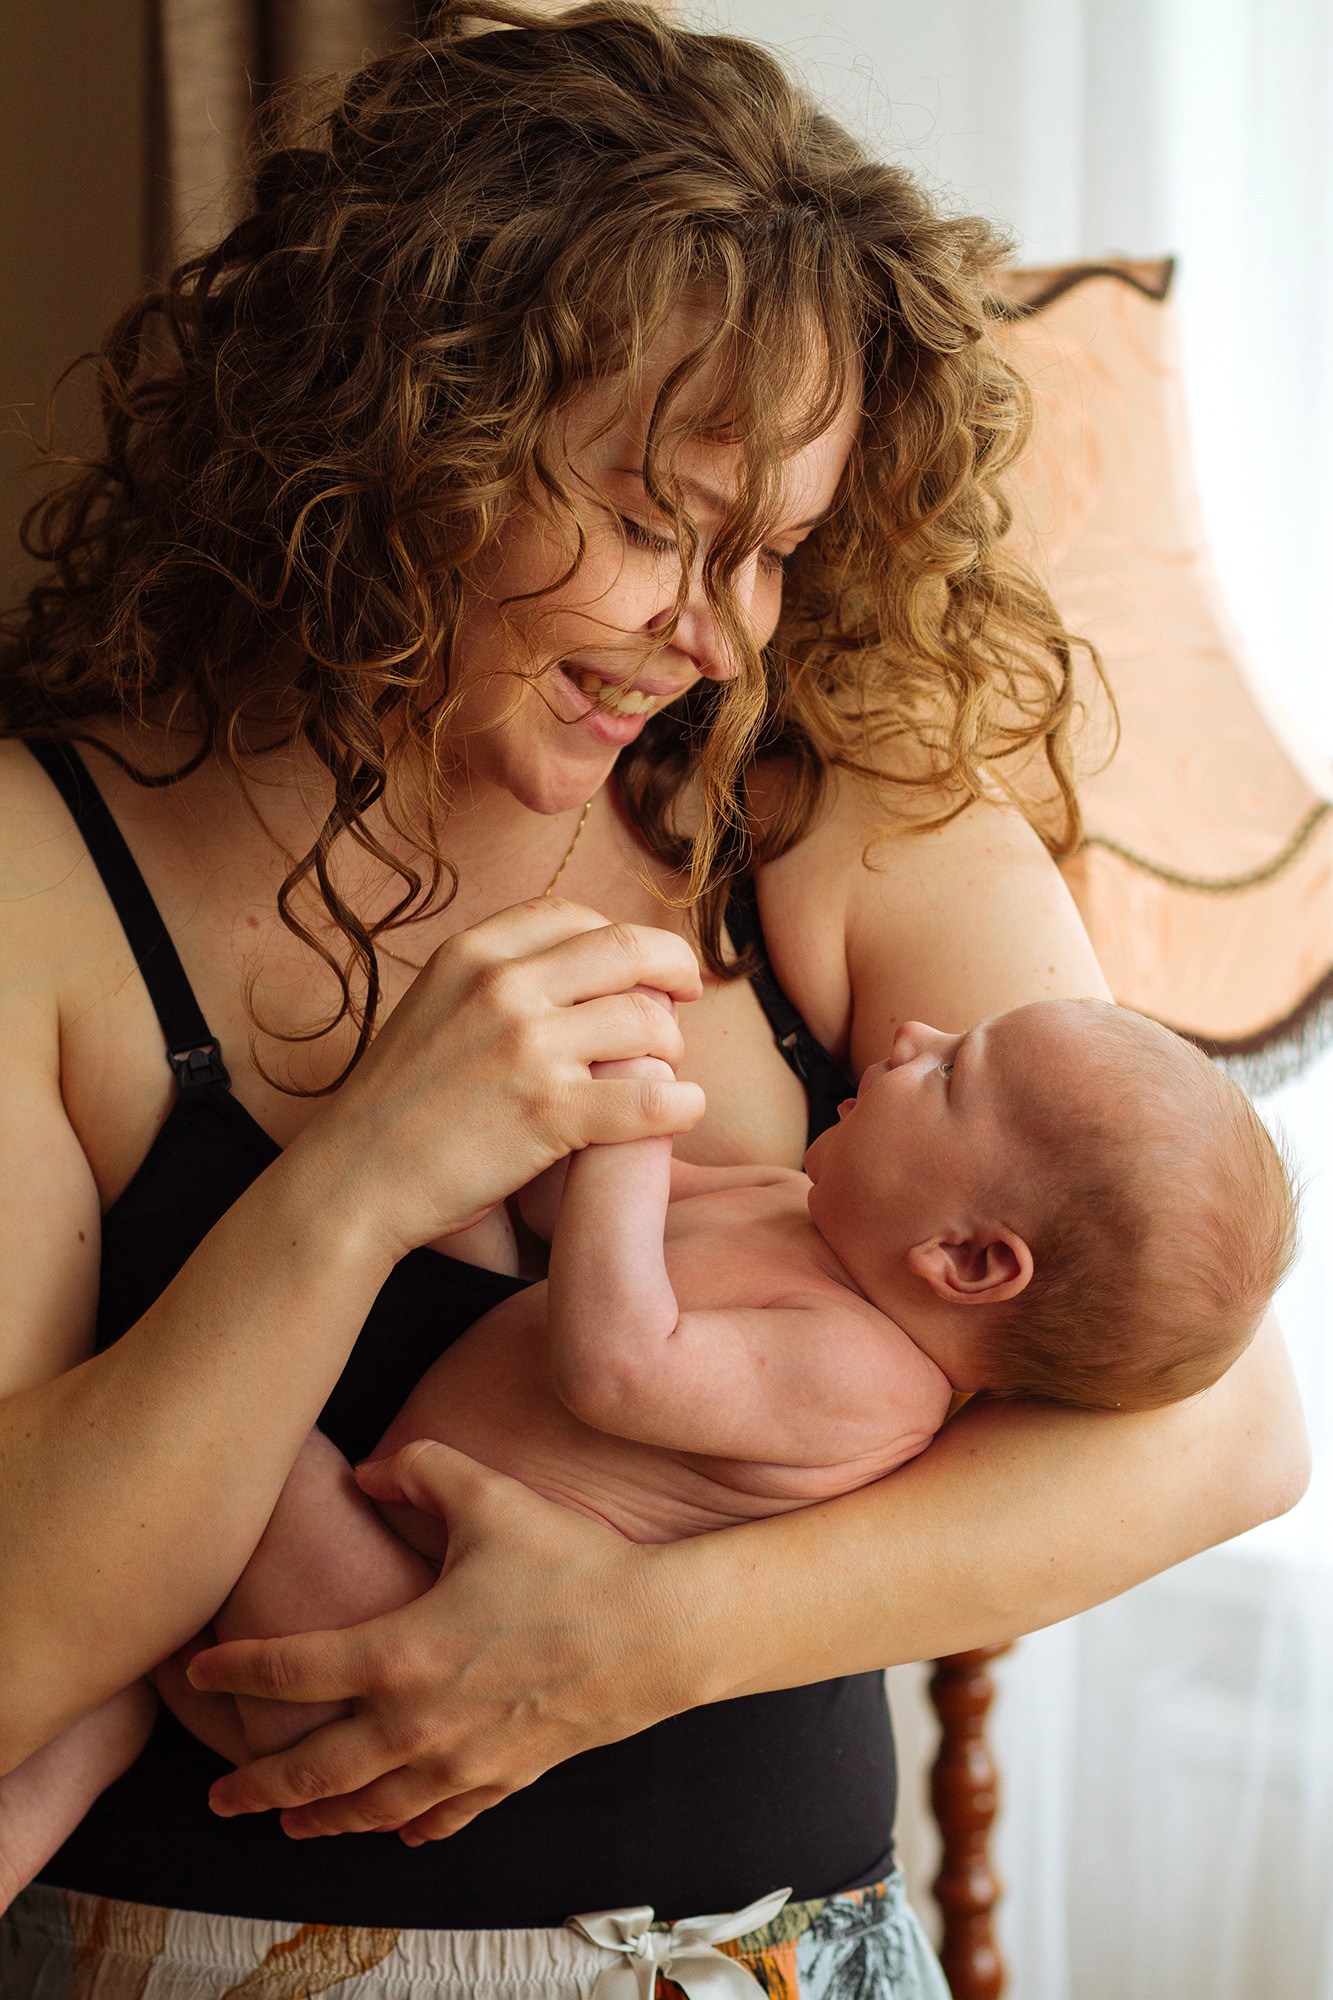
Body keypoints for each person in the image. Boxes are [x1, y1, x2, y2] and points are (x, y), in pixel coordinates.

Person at [0, 3, 1308, 1995]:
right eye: (645, 521)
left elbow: (1215, 1438)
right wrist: (355, 1185)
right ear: (392, 431)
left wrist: (628, 1649)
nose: (713, 637)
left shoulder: (830, 798)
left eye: (771, 551)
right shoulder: (45, 860)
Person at [0, 992, 1299, 1908]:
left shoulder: (866, 1383)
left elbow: (618, 1358)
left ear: (964, 1260)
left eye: (949, 1071)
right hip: (358, 1578)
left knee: (201, 1433)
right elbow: (572, 1214)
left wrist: (635, 1130)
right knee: (107, 1671)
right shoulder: (792, 1211)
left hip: (381, 1649)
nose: (908, 1034)